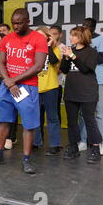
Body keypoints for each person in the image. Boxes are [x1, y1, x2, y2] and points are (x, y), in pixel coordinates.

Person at [0, 8, 47, 174]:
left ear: (28, 22)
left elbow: (38, 66)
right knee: (2, 120)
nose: (16, 26)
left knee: (28, 125)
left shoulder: (38, 38)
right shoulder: (7, 39)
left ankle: (26, 159)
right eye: (13, 23)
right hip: (7, 85)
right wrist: (9, 83)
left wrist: (14, 81)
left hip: (27, 86)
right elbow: (0, 63)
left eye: (19, 23)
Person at [60, 26, 102, 164]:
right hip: (71, 91)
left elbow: (85, 69)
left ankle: (95, 149)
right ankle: (73, 147)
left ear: (82, 37)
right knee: (72, 122)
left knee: (90, 121)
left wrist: (72, 56)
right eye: (71, 35)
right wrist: (66, 58)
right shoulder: (70, 50)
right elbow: (64, 70)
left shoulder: (91, 52)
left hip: (87, 92)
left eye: (74, 35)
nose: (71, 37)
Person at [78, 18, 103, 156]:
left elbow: (101, 59)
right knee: (84, 113)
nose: (86, 28)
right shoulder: (79, 40)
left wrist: (88, 51)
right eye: (84, 26)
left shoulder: (100, 39)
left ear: (94, 28)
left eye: (88, 27)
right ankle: (83, 141)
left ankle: (101, 143)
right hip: (83, 80)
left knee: (99, 113)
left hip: (98, 80)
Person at [33, 26, 62, 156]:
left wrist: (48, 46)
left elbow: (54, 61)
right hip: (35, 88)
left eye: (42, 35)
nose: (39, 38)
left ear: (48, 36)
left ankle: (54, 145)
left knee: (52, 117)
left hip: (50, 88)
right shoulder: (32, 50)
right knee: (36, 118)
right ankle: (36, 142)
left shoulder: (55, 49)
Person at [49, 25, 65, 125]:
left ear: (60, 35)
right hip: (43, 84)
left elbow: (59, 69)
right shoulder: (46, 46)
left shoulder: (63, 48)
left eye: (55, 34)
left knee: (55, 111)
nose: (53, 36)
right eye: (51, 34)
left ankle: (56, 137)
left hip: (56, 84)